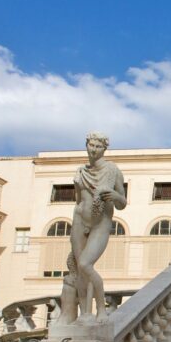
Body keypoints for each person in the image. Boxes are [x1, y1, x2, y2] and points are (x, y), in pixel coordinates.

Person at [68, 131, 126, 324]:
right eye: (91, 145)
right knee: (79, 269)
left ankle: (101, 309)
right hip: (79, 219)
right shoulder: (81, 171)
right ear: (87, 146)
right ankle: (85, 313)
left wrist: (115, 196)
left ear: (104, 149)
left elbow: (122, 202)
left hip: (101, 222)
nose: (93, 149)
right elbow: (79, 200)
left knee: (85, 264)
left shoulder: (112, 170)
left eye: (98, 146)